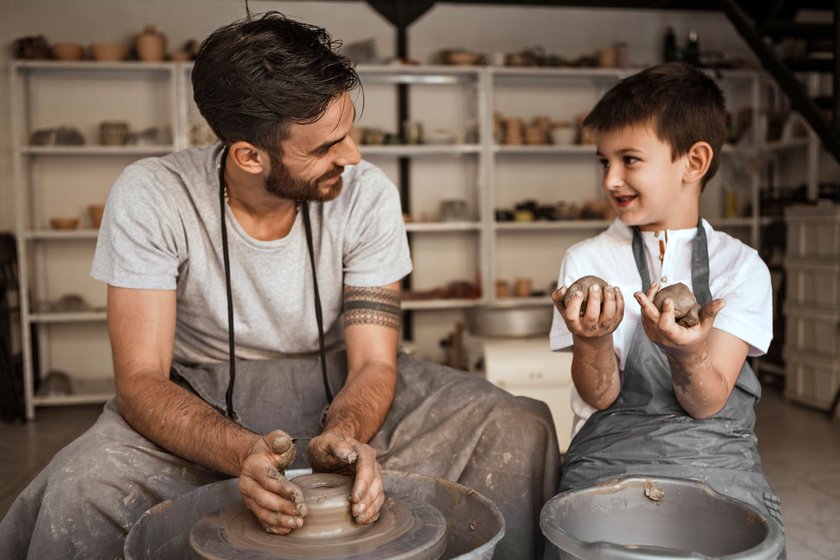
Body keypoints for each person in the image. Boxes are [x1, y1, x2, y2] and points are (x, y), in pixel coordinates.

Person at [0, 11, 560, 560]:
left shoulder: (367, 194)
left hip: (345, 381)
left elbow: (374, 364)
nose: (354, 156)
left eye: (348, 133)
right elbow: (141, 382)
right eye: (324, 148)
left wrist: (344, 435)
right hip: (201, 394)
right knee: (81, 485)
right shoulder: (152, 195)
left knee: (519, 425)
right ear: (248, 155)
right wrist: (243, 451)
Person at [549, 62, 785, 546]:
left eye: (630, 159)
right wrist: (590, 339)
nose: (611, 179)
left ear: (694, 162)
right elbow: (598, 397)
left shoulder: (741, 267)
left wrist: (688, 352)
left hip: (715, 456)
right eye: (603, 161)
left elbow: (707, 403)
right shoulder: (587, 260)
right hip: (607, 456)